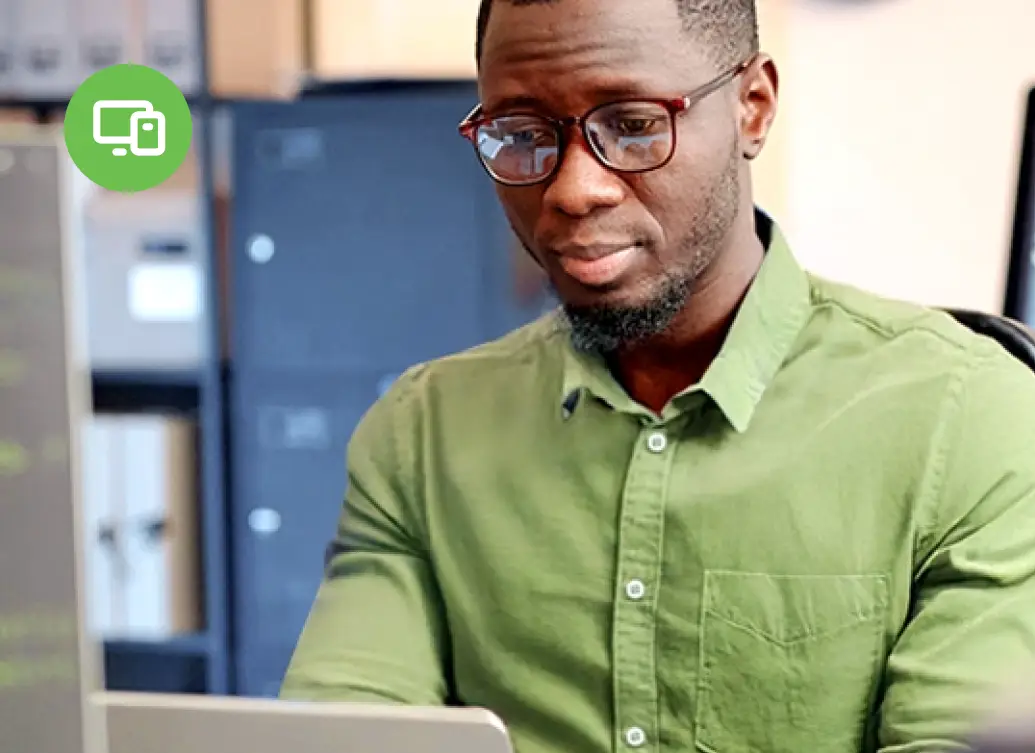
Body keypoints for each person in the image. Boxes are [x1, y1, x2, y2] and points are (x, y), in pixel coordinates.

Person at [279, 0, 1035, 750]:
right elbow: (348, 729)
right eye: (520, 133)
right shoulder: (421, 433)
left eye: (634, 123)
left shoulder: (970, 417)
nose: (574, 190)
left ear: (752, 106)